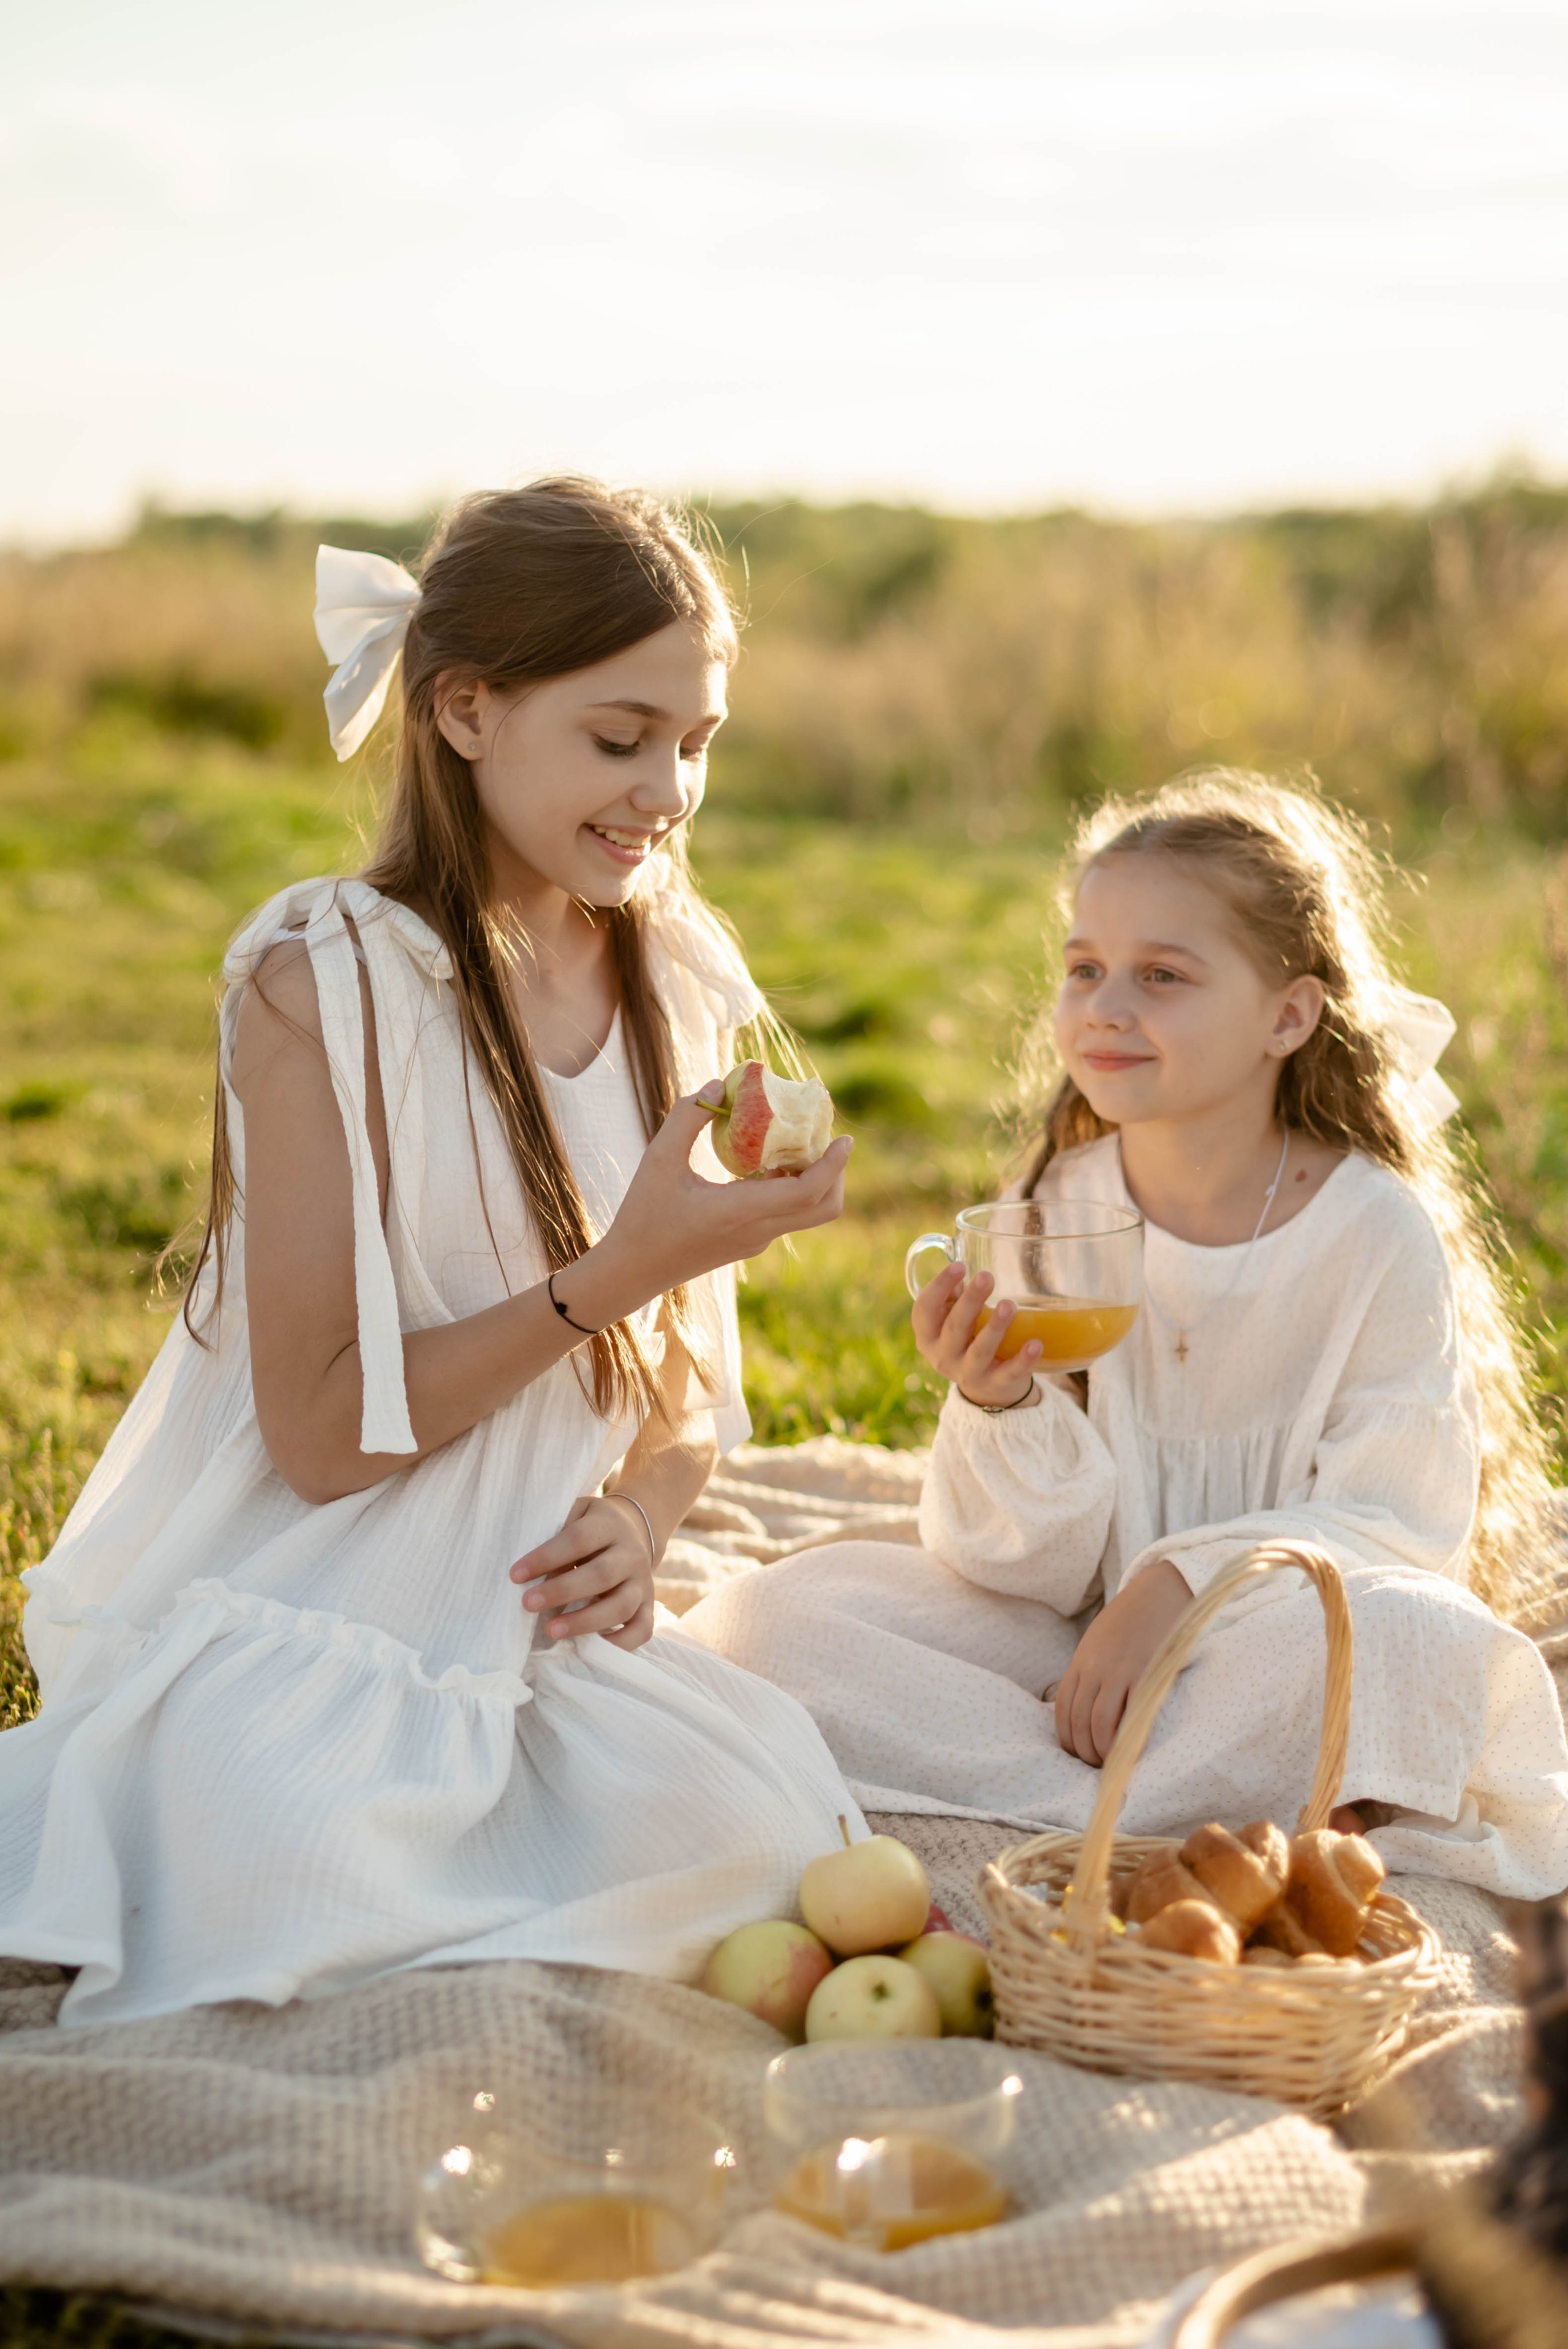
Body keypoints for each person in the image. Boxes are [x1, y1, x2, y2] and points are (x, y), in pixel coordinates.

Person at [0, 478, 862, 2027]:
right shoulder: (324, 979)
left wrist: (649, 1521)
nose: (668, 789)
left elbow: (682, 1403)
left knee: (757, 1830)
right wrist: (614, 1270)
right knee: (298, 1860)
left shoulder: (675, 968)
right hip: (336, 1589)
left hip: (532, 1596)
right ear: (464, 708)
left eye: (697, 741)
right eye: (620, 737)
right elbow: (324, 1439)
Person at [684, 773, 1568, 1898]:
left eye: (1162, 976)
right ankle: (1197, 1795)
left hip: (1271, 1642)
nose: (1106, 1006)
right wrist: (1000, 1405)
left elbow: (1399, 1521)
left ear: (1287, 1018)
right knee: (777, 1620)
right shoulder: (1065, 1204)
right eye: (1086, 968)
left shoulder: (1371, 1233)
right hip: (1079, 1650)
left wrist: (1176, 1584)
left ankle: (1124, 1788)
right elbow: (1021, 1566)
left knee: (1425, 1647)